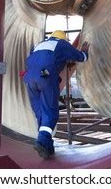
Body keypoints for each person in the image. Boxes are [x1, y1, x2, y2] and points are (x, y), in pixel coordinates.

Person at [23, 30, 90, 159]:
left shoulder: (40, 44)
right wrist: (85, 52)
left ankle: (47, 146)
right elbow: (81, 57)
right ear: (63, 39)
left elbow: (34, 60)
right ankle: (42, 141)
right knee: (50, 111)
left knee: (40, 112)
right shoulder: (61, 44)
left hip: (29, 78)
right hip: (45, 77)